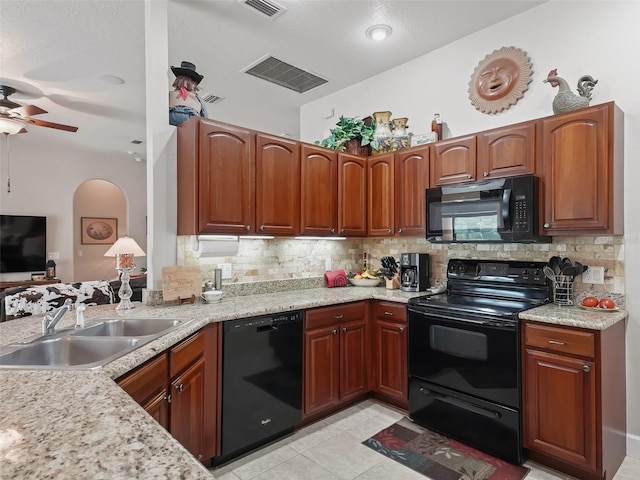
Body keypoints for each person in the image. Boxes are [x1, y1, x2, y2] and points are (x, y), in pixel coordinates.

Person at [169, 61, 208, 126]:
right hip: (191, 117)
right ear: (193, 84)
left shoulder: (171, 94)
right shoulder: (197, 99)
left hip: (172, 115)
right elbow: (205, 115)